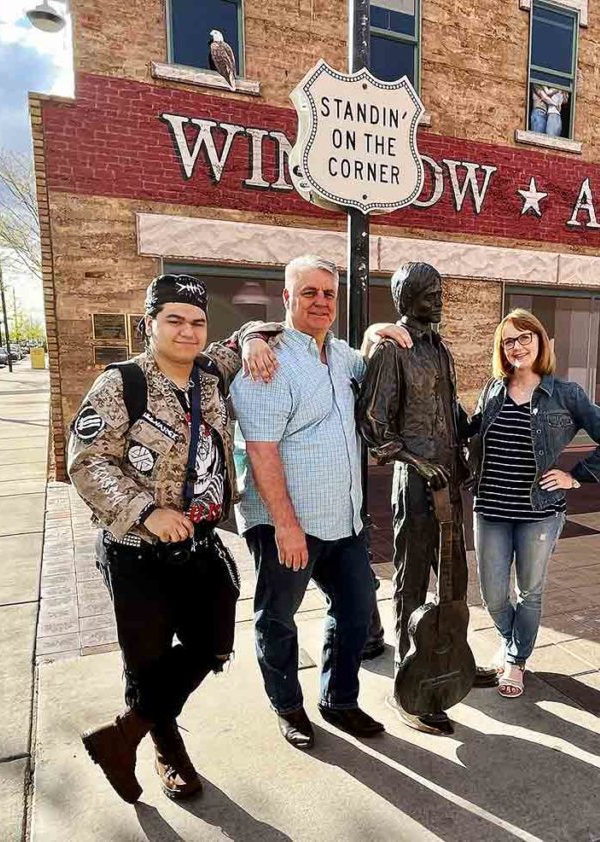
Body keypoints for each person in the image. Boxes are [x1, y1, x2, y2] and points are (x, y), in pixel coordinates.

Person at [68, 273, 280, 803]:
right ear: (150, 324)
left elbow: (254, 330)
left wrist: (252, 337)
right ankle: (166, 749)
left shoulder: (210, 372)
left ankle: (125, 732)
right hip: (137, 553)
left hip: (202, 546)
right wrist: (146, 512)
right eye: (175, 321)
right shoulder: (122, 384)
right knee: (147, 660)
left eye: (197, 322)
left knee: (212, 643)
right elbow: (86, 463)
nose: (188, 331)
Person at [230, 255, 410, 750]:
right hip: (287, 525)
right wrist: (285, 526)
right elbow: (262, 452)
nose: (321, 302)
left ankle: (339, 700)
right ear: (286, 298)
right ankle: (288, 707)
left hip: (342, 521)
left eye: (329, 294)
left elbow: (370, 352)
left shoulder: (343, 358)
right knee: (276, 619)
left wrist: (378, 329)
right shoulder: (265, 363)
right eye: (309, 292)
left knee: (355, 610)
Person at [357, 262, 499, 737]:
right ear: (407, 297)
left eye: (440, 291)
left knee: (455, 577)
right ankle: (409, 676)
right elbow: (375, 426)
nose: (439, 298)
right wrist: (418, 464)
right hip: (416, 483)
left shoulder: (440, 350)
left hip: (449, 482)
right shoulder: (390, 350)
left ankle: (456, 653)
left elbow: (449, 414)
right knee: (412, 579)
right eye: (429, 292)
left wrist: (484, 421)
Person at [469, 309, 600, 697]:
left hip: (539, 512)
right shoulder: (492, 390)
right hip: (490, 509)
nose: (517, 346)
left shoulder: (565, 394)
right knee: (492, 593)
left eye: (525, 338)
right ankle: (511, 645)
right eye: (509, 341)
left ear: (540, 342)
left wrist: (574, 476)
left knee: (529, 592)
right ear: (501, 349)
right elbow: (469, 435)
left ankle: (515, 661)